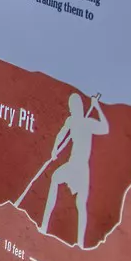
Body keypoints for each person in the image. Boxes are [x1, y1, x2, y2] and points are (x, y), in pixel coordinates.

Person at [37, 91, 109, 246]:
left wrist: (97, 107)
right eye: (71, 108)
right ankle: (44, 226)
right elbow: (61, 134)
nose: (72, 110)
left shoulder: (87, 123)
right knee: (55, 179)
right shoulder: (72, 121)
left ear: (78, 108)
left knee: (80, 204)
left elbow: (104, 128)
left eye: (74, 107)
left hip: (81, 168)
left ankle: (80, 243)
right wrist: (54, 150)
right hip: (72, 165)